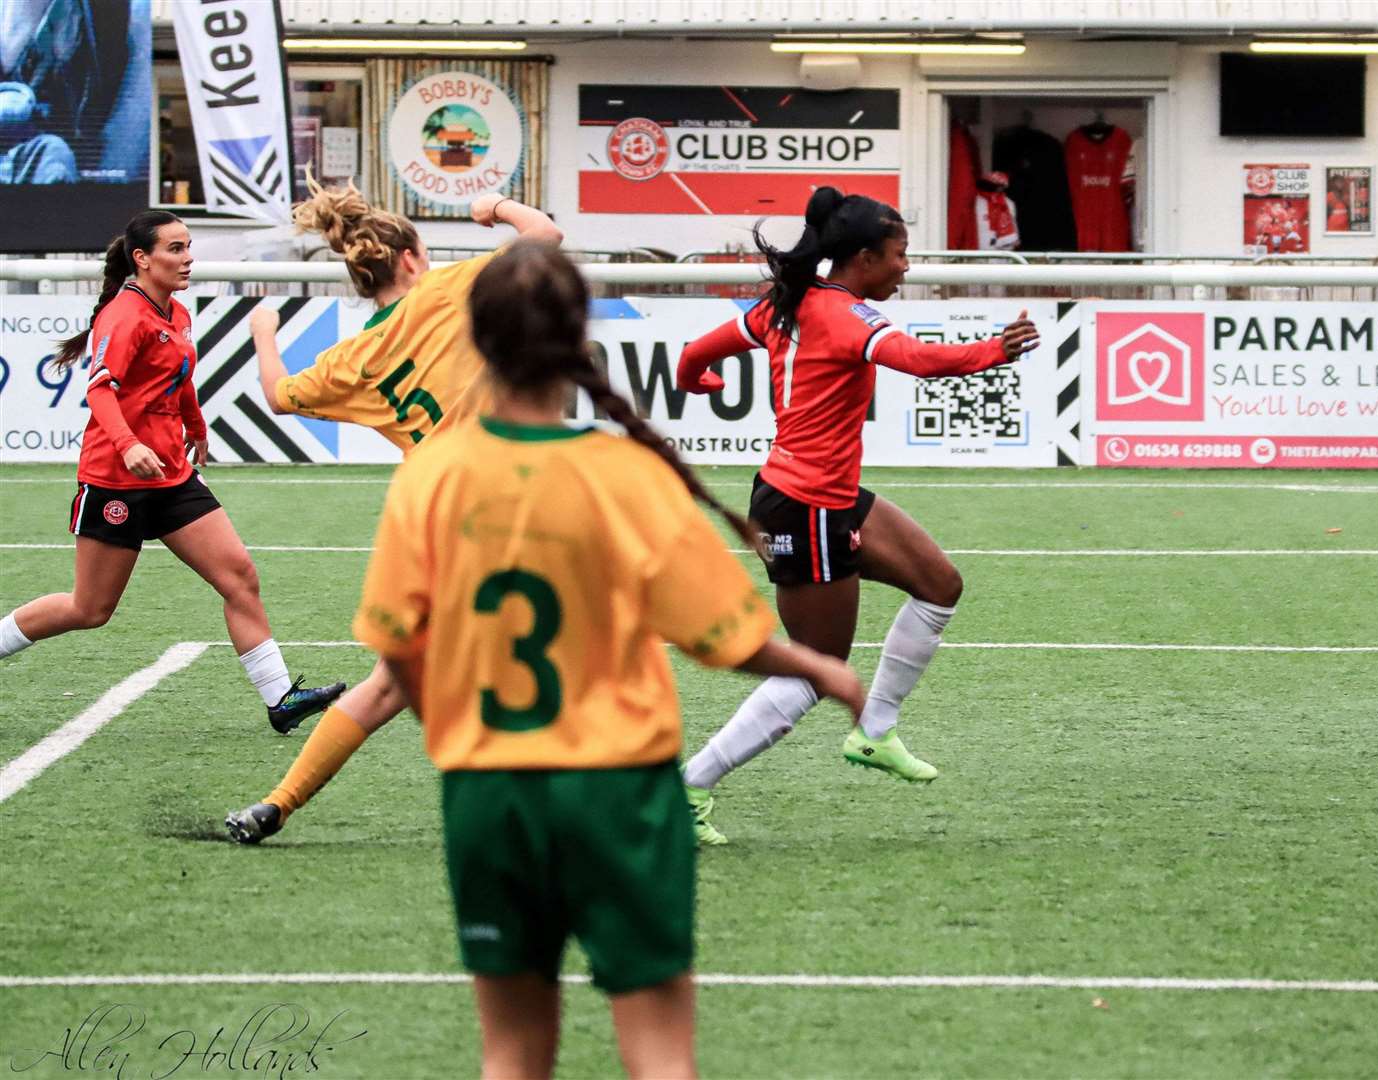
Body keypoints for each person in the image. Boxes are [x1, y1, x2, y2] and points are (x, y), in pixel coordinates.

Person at [353, 239, 863, 1079]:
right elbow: (721, 637)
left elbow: (398, 642)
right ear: (578, 340)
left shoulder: (432, 474)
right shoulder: (625, 473)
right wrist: (820, 668)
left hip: (489, 788)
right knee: (659, 1054)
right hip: (619, 790)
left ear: (474, 342)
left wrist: (452, 731)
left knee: (511, 1055)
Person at [671, 186, 1040, 845]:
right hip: (803, 508)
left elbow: (694, 354)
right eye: (900, 256)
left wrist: (701, 379)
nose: (907, 266)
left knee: (940, 584)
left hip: (827, 496)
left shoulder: (785, 307)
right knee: (817, 668)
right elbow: (921, 362)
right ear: (864, 258)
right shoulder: (845, 316)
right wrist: (995, 350)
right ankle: (689, 786)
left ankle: (874, 732)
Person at [224, 179, 562, 844]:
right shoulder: (452, 288)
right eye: (424, 248)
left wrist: (265, 331)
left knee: (392, 681)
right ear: (409, 259)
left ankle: (278, 802)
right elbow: (545, 235)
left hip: (431, 514)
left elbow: (278, 395)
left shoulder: (354, 358)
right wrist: (492, 207)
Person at [0, 210, 343, 731]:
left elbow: (180, 381)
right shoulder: (124, 315)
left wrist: (197, 429)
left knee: (240, 577)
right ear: (143, 258)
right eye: (176, 249)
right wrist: (129, 443)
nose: (188, 258)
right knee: (89, 609)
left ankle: (280, 700)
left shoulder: (177, 313)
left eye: (188, 247)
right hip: (117, 479)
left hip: (172, 476)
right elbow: (99, 389)